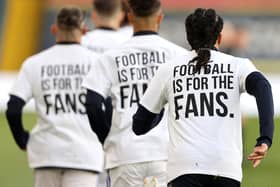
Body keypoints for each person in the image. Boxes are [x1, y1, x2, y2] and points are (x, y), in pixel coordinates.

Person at [133, 8, 274, 187]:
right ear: (219, 38)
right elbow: (263, 87)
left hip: (184, 169)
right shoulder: (237, 65)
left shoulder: (169, 70)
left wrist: (161, 109)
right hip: (226, 169)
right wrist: (265, 139)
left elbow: (139, 125)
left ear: (188, 38)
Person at [82, 0, 187, 186]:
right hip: (167, 153)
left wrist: (106, 136)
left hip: (124, 152)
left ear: (129, 17)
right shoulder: (178, 55)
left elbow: (91, 101)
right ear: (160, 17)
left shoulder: (111, 56)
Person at [6, 6, 103, 187]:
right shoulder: (96, 62)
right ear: (83, 31)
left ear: (54, 29)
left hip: (46, 154)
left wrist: (22, 138)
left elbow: (13, 108)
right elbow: (103, 106)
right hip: (84, 156)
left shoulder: (34, 63)